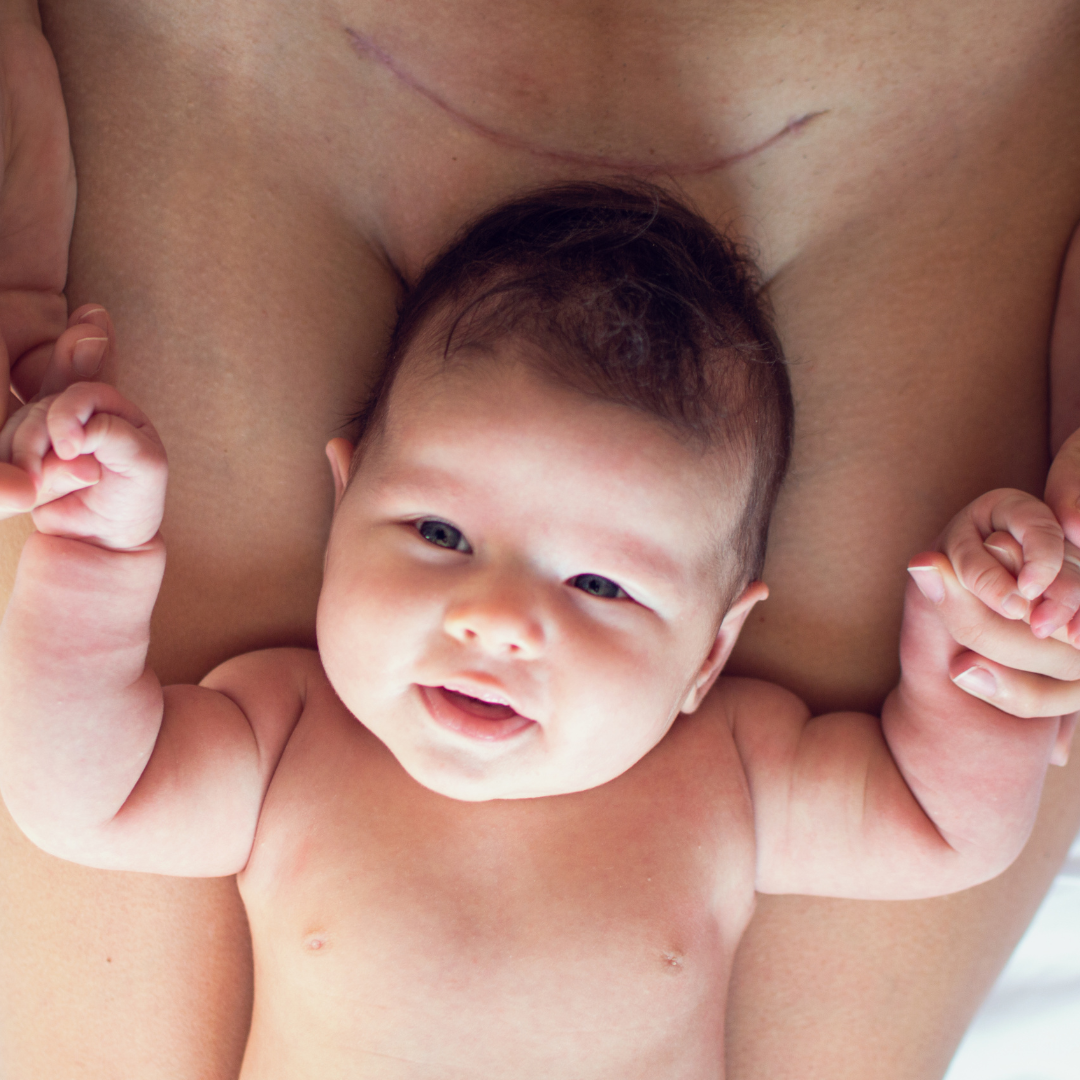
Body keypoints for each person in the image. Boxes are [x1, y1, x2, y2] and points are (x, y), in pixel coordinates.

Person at [1, 0, 1078, 1076]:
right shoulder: (283, 742)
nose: (499, 621)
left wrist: (964, 661)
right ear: (341, 502)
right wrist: (99, 562)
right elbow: (86, 793)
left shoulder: (730, 783)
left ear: (712, 651)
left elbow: (939, 828)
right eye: (437, 532)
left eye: (603, 587)